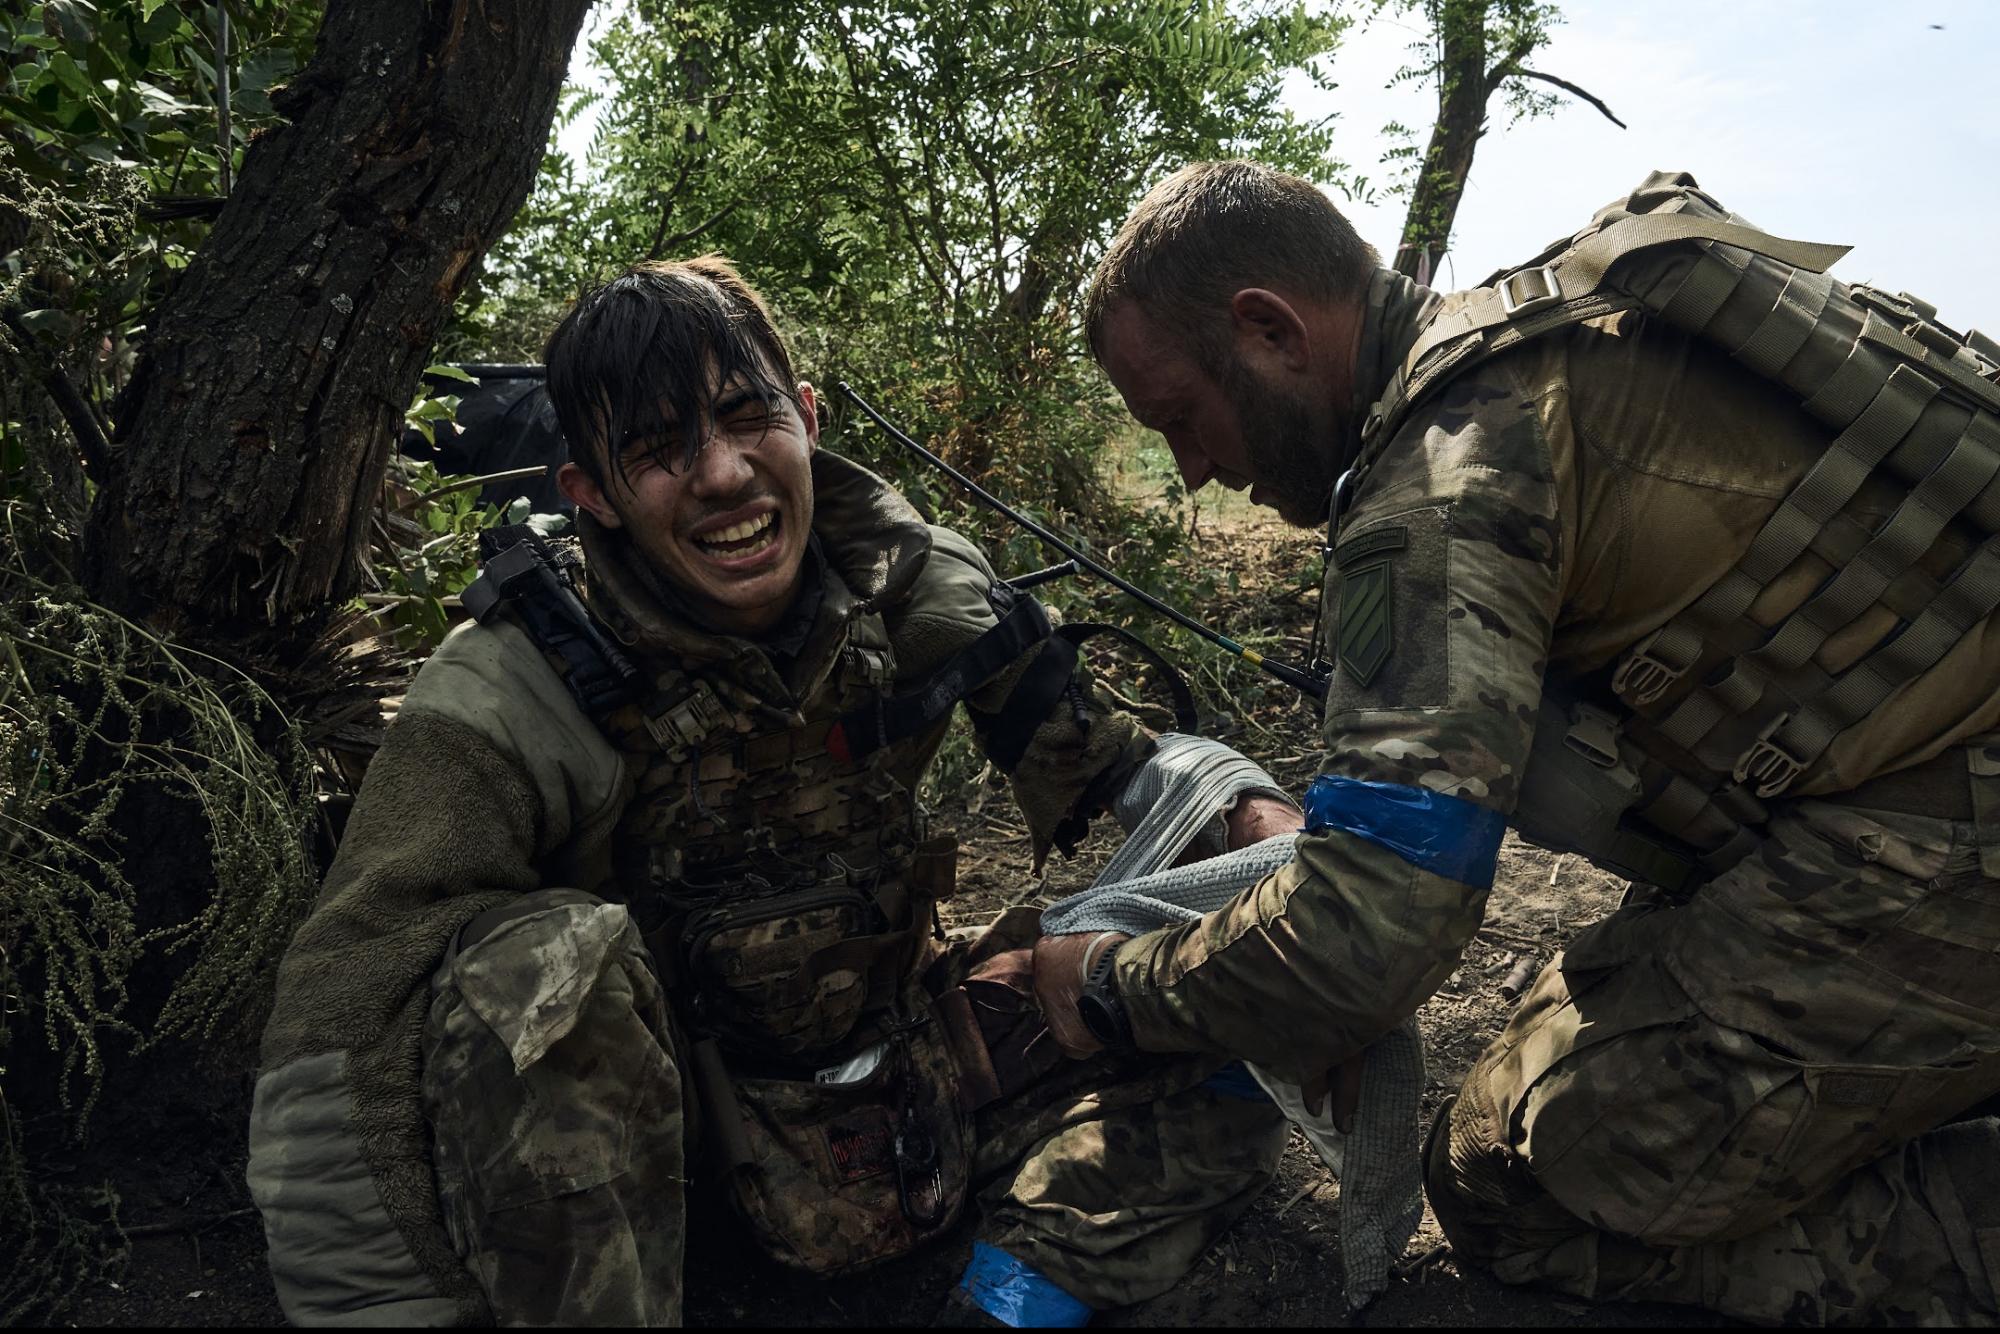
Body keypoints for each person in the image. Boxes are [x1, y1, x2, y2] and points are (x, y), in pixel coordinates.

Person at [246, 256, 1300, 1327]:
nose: (721, 476)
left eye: (747, 417)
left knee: (1249, 1008)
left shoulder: (913, 583)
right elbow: (351, 994)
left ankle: (1017, 1290)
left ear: (803, 416)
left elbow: (1115, 764)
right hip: (648, 1140)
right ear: (592, 494)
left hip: (897, 1056)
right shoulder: (516, 680)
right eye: (656, 452)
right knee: (535, 969)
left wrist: (1252, 814)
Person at [1041, 159, 2000, 1324]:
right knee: (1561, 1042)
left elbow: (1366, 932)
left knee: (1506, 1179)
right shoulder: (1539, 334)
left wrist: (1100, 985)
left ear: (1267, 331)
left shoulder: (1447, 471)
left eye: (1178, 418)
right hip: (1888, 795)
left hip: (1938, 841)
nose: (1193, 469)